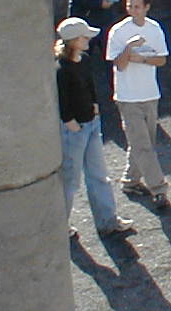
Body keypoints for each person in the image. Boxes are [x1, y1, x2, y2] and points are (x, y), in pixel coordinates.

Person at [55, 17, 135, 240]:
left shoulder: (84, 60)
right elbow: (61, 100)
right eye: (85, 36)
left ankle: (108, 221)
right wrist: (70, 122)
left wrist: (95, 107)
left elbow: (89, 86)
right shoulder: (61, 69)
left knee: (99, 175)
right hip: (76, 128)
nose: (89, 39)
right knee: (70, 181)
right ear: (73, 41)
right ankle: (58, 226)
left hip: (90, 123)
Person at [106, 0, 171, 211]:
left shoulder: (155, 29)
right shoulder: (118, 31)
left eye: (136, 6)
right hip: (127, 97)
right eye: (129, 6)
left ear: (146, 7)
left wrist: (142, 59)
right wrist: (129, 48)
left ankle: (130, 181)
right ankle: (159, 189)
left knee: (144, 142)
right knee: (143, 145)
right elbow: (118, 63)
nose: (132, 10)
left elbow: (162, 60)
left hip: (150, 94)